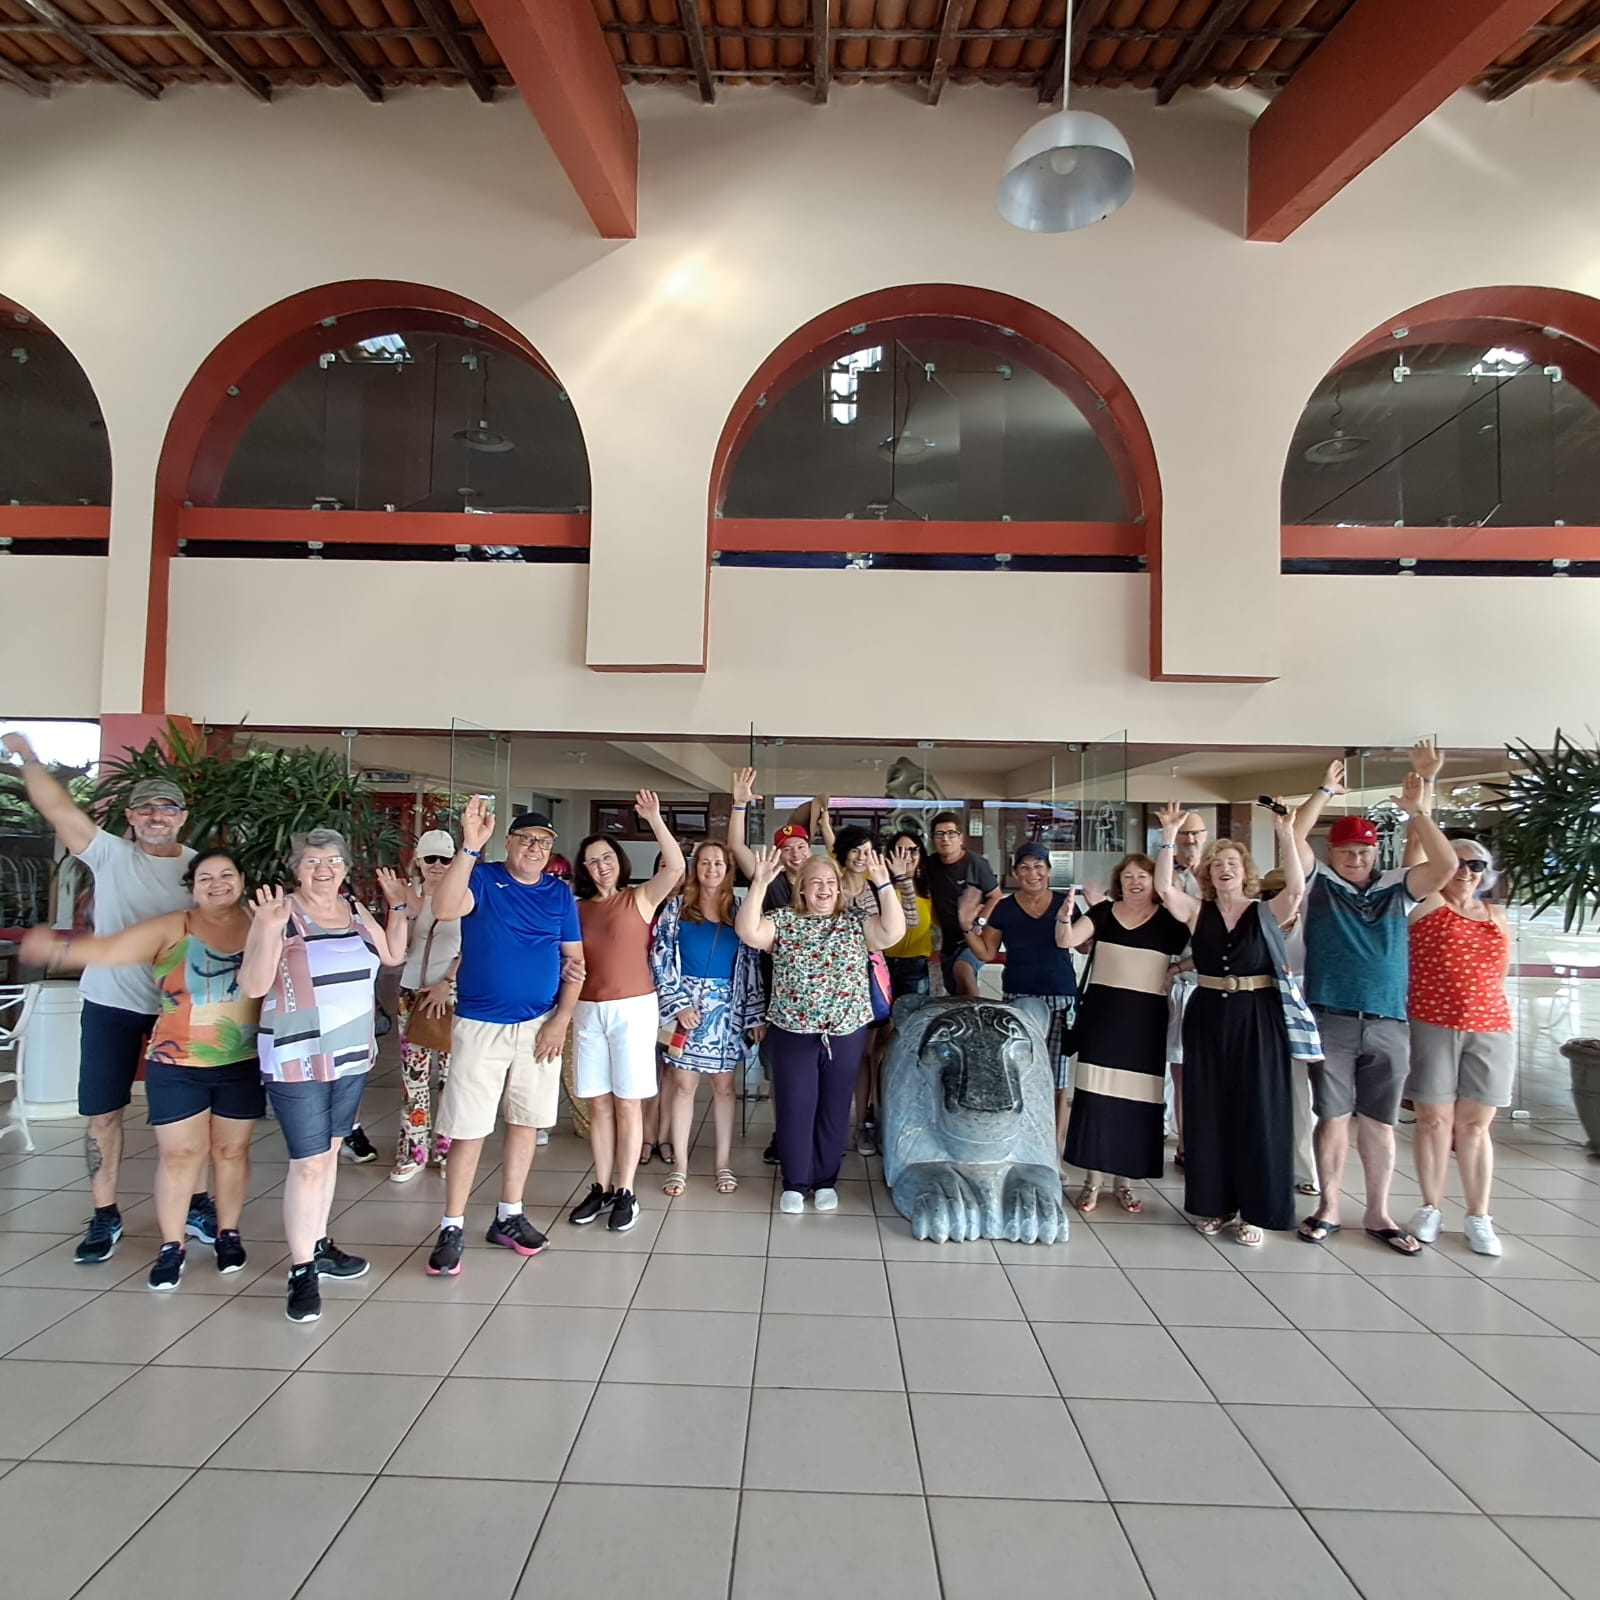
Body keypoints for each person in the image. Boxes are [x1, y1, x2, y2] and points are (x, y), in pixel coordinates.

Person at [1, 731, 215, 1265]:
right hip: (110, 1005)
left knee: (191, 1117)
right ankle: (104, 1213)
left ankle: (196, 1203)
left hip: (178, 1012)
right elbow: (57, 809)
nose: (157, 816)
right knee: (103, 1114)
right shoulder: (110, 854)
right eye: (146, 809)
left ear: (183, 818)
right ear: (131, 817)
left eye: (167, 808)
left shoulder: (202, 871)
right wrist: (29, 757)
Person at [21, 847, 262, 1290]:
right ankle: (172, 1246)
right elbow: (113, 949)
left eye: (227, 875)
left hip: (242, 1062)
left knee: (231, 1152)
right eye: (206, 877)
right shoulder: (174, 926)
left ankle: (229, 1234)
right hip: (176, 1062)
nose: (218, 884)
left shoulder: (261, 924)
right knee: (179, 1155)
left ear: (242, 881)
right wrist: (57, 948)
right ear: (192, 887)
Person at [241, 830, 409, 1322]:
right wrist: (267, 930)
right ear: (296, 868)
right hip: (297, 1057)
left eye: (333, 861)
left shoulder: (354, 910)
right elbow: (253, 984)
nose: (324, 870)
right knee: (309, 1163)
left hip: (352, 1055)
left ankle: (317, 1243)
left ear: (345, 868)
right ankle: (301, 1270)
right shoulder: (280, 913)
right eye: (313, 861)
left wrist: (398, 906)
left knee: (330, 1154)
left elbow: (392, 955)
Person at [1292, 761, 1457, 1255]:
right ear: (1332, 852)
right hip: (1331, 1018)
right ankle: (1328, 1207)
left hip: (1388, 1021)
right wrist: (1323, 790)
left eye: (1363, 850)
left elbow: (1446, 867)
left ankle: (1377, 1212)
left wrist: (1418, 811)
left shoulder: (1398, 887)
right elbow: (1294, 836)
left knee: (1380, 1123)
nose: (1356, 858)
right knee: (1333, 1117)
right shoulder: (1319, 883)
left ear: (1375, 851)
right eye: (1346, 850)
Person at [422, 801, 584, 1278]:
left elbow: (575, 962)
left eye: (544, 842)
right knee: (469, 1128)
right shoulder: (482, 877)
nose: (535, 848)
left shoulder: (559, 894)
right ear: (509, 842)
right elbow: (443, 908)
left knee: (526, 1122)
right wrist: (470, 845)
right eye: (527, 839)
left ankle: (509, 1215)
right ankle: (451, 1225)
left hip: (539, 1026)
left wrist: (561, 1019)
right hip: (481, 1025)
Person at [1154, 804, 1310, 1245]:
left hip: (1258, 1016)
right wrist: (1168, 836)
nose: (1224, 869)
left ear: (1245, 873)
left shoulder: (1264, 911)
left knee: (1256, 1107)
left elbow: (1296, 889)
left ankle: (1255, 1211)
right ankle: (1214, 1203)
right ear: (1207, 873)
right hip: (1208, 1014)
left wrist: (1286, 834)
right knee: (1209, 1107)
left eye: (1232, 864)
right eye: (1217, 864)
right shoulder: (1198, 911)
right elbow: (1164, 888)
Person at [736, 843, 906, 1213]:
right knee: (796, 1106)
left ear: (840, 888)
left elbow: (892, 932)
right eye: (815, 882)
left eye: (830, 882)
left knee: (834, 1107)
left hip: (845, 1032)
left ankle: (826, 1179)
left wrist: (883, 884)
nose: (824, 888)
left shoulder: (855, 921)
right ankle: (796, 1182)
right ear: (801, 889)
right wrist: (759, 884)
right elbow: (749, 932)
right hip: (793, 1031)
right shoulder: (782, 920)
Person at [566, 793, 684, 1234]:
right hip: (587, 1010)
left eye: (607, 858)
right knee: (598, 1103)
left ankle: (626, 1190)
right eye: (593, 861)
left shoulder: (639, 898)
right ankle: (601, 1187)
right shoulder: (575, 908)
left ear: (619, 861)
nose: (601, 866)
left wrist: (654, 818)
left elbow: (675, 867)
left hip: (632, 1009)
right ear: (584, 869)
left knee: (627, 1103)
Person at [1056, 854, 1189, 1212]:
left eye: (1142, 876)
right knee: (1096, 1099)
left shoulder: (1170, 921)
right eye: (1128, 876)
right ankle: (1093, 1181)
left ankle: (1124, 1183)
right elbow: (1066, 940)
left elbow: (1209, 947)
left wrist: (1177, 968)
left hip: (1145, 1022)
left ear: (1155, 882)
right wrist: (1065, 916)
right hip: (1103, 1018)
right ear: (1119, 882)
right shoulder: (1103, 913)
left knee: (1135, 1103)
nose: (1135, 882)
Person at [1404, 837, 1514, 1256]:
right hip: (1432, 1023)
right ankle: (1431, 1206)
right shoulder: (1427, 904)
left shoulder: (1497, 916)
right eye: (1457, 862)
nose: (1466, 871)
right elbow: (1415, 862)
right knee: (1433, 1120)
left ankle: (1478, 1214)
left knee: (1475, 1126)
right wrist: (1420, 811)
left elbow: (1498, 974)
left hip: (1490, 1026)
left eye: (1476, 865)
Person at [651, 839, 766, 1196]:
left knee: (724, 1088)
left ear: (728, 870)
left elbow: (752, 964)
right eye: (704, 862)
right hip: (685, 1009)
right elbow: (660, 958)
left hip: (728, 1010)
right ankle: (681, 1166)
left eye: (718, 863)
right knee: (683, 1086)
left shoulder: (741, 909)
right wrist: (678, 1005)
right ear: (694, 868)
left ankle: (723, 1163)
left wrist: (754, 1015)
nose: (711, 869)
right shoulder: (676, 908)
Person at [965, 841, 1081, 1155]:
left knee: (1057, 1079)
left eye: (1039, 866)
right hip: (1018, 998)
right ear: (1015, 873)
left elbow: (1084, 944)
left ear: (1049, 871)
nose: (1033, 873)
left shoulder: (1064, 903)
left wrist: (1089, 912)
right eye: (1025, 867)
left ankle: (1051, 1152)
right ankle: (1022, 1145)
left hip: (1061, 999)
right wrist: (966, 927)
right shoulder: (1005, 908)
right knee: (1018, 1075)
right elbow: (986, 952)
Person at [825, 819, 918, 1157]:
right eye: (855, 850)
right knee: (832, 1053)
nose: (862, 857)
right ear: (843, 853)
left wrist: (900, 881)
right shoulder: (829, 886)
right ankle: (831, 1125)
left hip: (869, 978)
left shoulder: (876, 888)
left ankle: (861, 1123)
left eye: (867, 851)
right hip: (830, 980)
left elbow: (909, 921)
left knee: (865, 1054)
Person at [390, 828, 463, 1183]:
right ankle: (414, 1150)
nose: (437, 865)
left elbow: (474, 947)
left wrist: (447, 981)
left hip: (451, 994)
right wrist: (402, 909)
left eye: (445, 859)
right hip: (411, 992)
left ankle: (448, 1150)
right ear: (418, 861)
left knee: (452, 1077)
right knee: (414, 1078)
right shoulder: (407, 894)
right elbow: (397, 947)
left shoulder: (464, 897)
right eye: (430, 858)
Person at [1260, 867, 1320, 1199]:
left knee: (1301, 1094)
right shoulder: (1257, 921)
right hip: (1260, 1009)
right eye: (1269, 893)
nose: (1276, 899)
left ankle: (1306, 1169)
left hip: (1300, 1012)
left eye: (1281, 892)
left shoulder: (1310, 926)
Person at [1165, 811, 1207, 1168]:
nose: (1190, 840)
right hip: (1170, 982)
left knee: (1202, 1070)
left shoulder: (1217, 877)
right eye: (1184, 835)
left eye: (1195, 833)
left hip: (1207, 984)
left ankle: (1202, 1141)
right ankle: (1184, 1142)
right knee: (1176, 1068)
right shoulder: (1166, 876)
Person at [926, 810, 1000, 997]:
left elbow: (996, 896)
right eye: (939, 834)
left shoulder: (975, 863)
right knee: (954, 987)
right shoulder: (929, 865)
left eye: (951, 833)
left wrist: (980, 921)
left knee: (963, 969)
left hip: (975, 935)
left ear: (961, 838)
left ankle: (977, 1014)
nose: (945, 839)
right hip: (949, 937)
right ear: (933, 839)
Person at [881, 830, 935, 1002]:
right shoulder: (881, 884)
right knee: (881, 1014)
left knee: (913, 1013)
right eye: (901, 850)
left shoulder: (929, 887)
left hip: (915, 963)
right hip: (884, 961)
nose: (907, 856)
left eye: (913, 850)